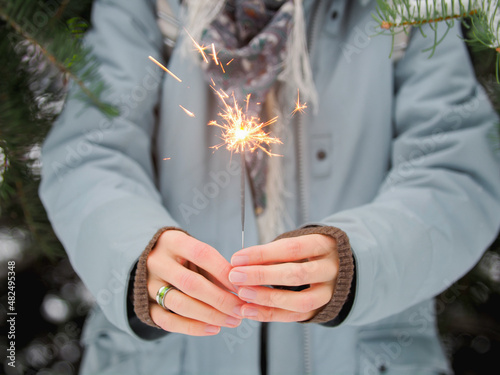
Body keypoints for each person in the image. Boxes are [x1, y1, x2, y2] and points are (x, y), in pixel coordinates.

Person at [40, 0, 500, 374]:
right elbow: (89, 154)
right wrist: (137, 260)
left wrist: (364, 262)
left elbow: (456, 169)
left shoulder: (408, 10)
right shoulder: (143, 8)